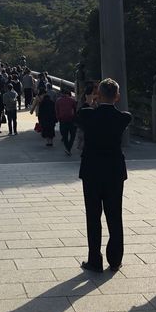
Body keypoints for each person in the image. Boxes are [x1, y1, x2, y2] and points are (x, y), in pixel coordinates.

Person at [76, 78, 132, 273]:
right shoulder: (124, 117)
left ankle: (95, 260)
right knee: (114, 215)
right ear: (117, 96)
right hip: (114, 171)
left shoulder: (86, 115)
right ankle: (115, 259)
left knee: (93, 216)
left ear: (98, 96)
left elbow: (81, 114)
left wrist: (91, 102)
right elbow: (120, 115)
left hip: (91, 170)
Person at [55, 88, 77, 156]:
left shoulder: (58, 101)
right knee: (73, 135)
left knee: (64, 136)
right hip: (71, 119)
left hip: (62, 120)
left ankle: (67, 148)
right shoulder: (72, 100)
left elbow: (56, 111)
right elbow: (75, 109)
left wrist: (58, 118)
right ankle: (69, 148)